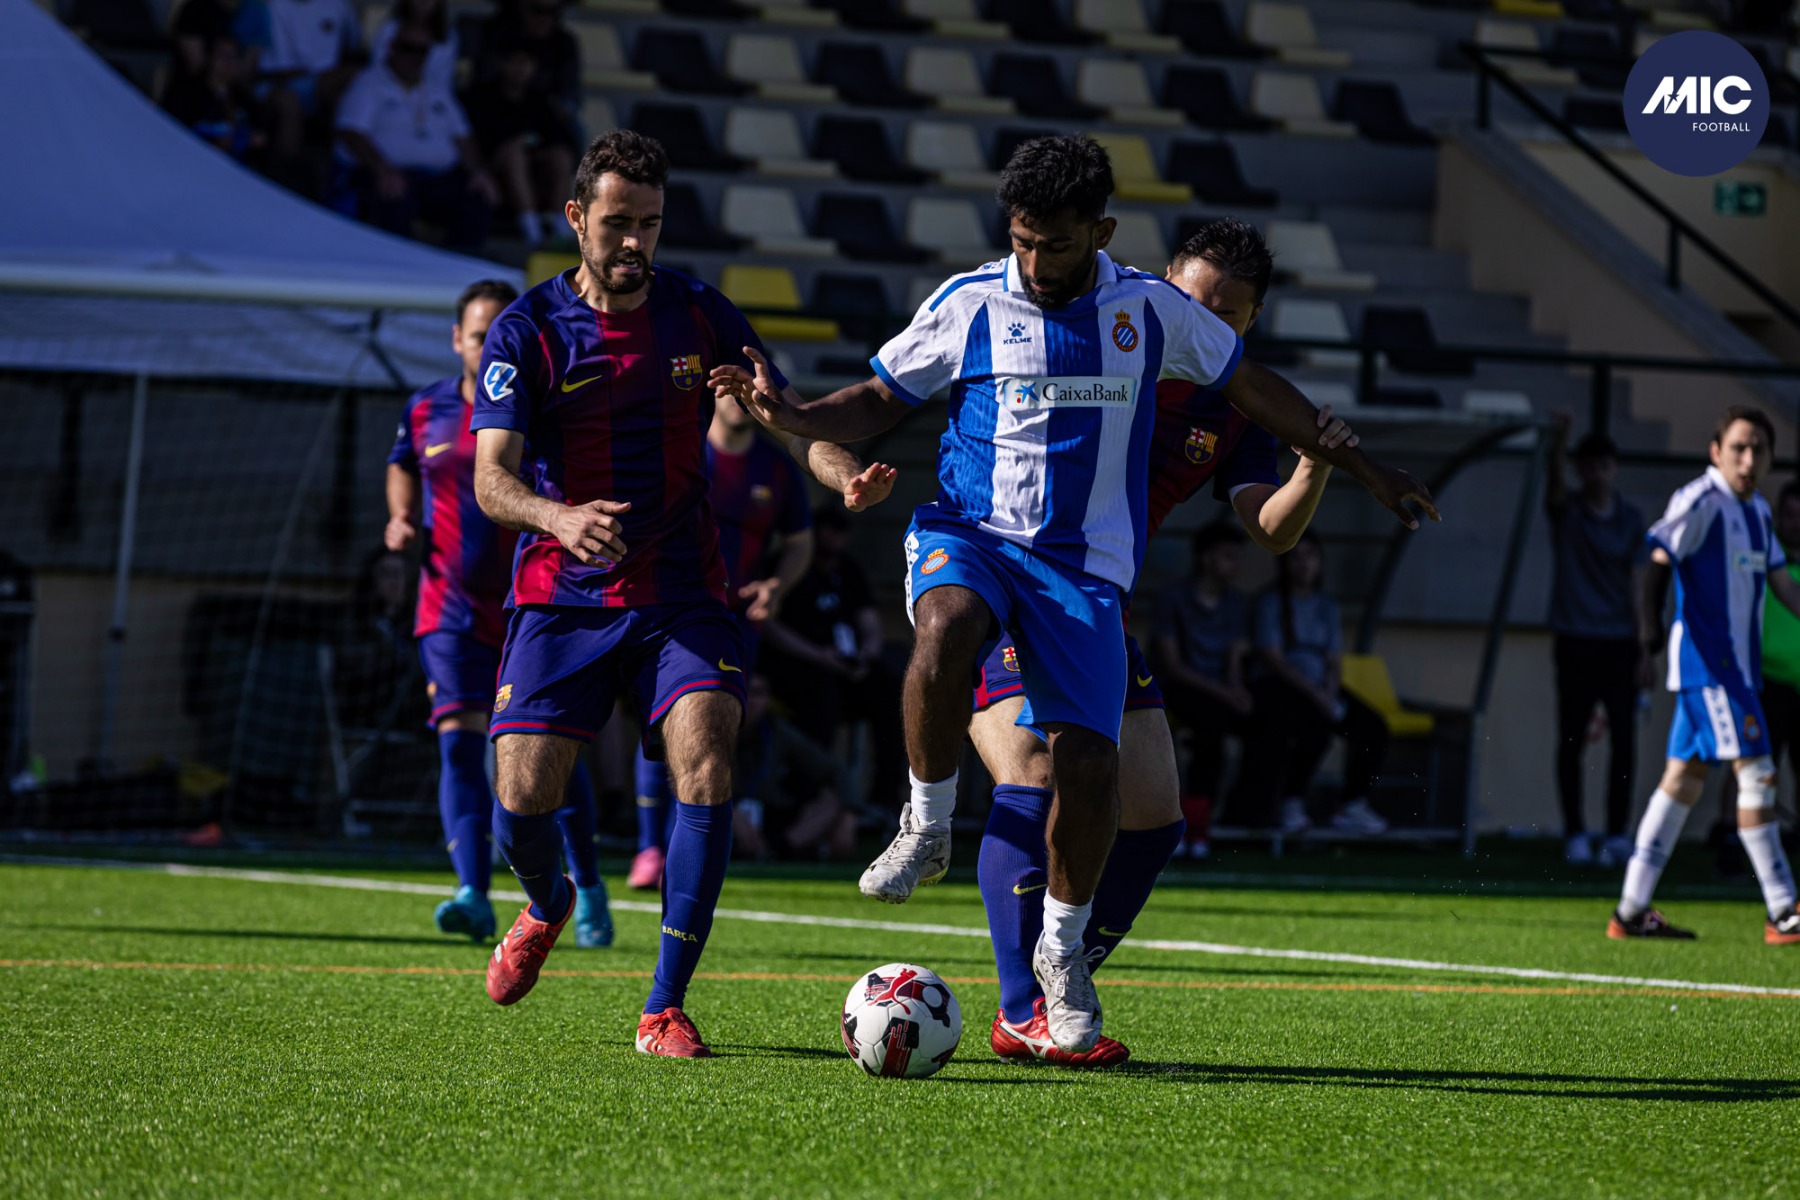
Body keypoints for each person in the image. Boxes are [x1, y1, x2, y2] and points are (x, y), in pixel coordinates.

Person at [714, 135, 1436, 1053]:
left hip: (1084, 577)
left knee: (1099, 775)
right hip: (973, 535)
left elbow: (1258, 398)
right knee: (950, 636)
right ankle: (930, 831)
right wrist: (796, 415)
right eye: (1021, 240)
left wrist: (1366, 470)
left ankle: (1060, 956)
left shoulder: (1154, 319)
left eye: (1054, 244)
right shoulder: (973, 301)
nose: (1035, 261)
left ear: (1101, 233)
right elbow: (880, 395)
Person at [469, 130, 891, 1058]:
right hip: (562, 595)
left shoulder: (700, 314)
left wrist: (842, 475)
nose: (634, 243)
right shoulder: (527, 330)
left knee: (707, 761)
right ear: (576, 217)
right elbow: (490, 479)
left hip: (683, 593)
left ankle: (664, 1005)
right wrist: (556, 515)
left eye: (650, 225)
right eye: (617, 223)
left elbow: (788, 420)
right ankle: (548, 902)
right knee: (521, 798)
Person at [969, 218, 1352, 1064]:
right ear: (1161, 286)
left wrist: (1313, 463)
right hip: (1009, 586)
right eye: (1191, 301)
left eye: (1226, 315)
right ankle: (1023, 1008)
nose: (1201, 322)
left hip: (1097, 614)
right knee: (1033, 774)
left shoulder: (1234, 405)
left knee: (1153, 817)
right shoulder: (1099, 334)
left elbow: (1271, 530)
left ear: (1249, 324)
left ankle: (1058, 977)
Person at [385, 279, 613, 948]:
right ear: (457, 339)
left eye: (498, 335)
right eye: (478, 335)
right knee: (458, 739)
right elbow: (402, 463)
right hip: (449, 608)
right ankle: (472, 894)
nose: (487, 347)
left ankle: (588, 884)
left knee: (547, 754)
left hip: (536, 605)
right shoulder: (425, 408)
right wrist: (400, 516)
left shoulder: (545, 403)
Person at [626, 388, 848, 891]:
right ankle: (649, 846)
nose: (735, 400)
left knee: (707, 733)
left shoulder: (776, 468)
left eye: (745, 389)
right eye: (725, 389)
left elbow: (799, 543)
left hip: (734, 622)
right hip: (670, 609)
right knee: (656, 725)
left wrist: (777, 586)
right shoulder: (679, 450)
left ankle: (681, 850)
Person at [1610, 406, 1800, 944]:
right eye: (1738, 447)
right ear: (1716, 452)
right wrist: (1648, 634)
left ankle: (1630, 911)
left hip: (1738, 671)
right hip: (1710, 667)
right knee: (1758, 772)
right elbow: (1657, 561)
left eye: (1759, 449)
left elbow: (1783, 585)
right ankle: (1783, 909)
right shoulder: (1700, 501)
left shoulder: (1758, 511)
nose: (1748, 459)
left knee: (1683, 781)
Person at [1545, 412, 1651, 866]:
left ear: (1614, 469)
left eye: (1604, 466)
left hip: (1619, 643)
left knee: (1624, 742)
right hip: (1575, 639)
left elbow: (1639, 586)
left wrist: (1645, 648)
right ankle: (1575, 833)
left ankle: (1617, 834)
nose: (1597, 474)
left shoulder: (1631, 520)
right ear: (1579, 469)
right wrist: (1559, 441)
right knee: (1571, 739)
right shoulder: (1568, 513)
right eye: (1588, 466)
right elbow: (1552, 490)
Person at [758, 503, 908, 817]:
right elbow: (767, 625)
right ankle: (809, 798)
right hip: (797, 666)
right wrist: (818, 655)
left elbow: (870, 624)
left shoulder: (849, 570)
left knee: (892, 692)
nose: (832, 543)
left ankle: (883, 798)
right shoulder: (783, 566)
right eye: (827, 535)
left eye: (839, 535)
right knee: (820, 697)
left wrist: (865, 656)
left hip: (846, 667)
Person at [1243, 532, 1389, 837]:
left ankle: (1353, 804)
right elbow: (1273, 657)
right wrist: (1316, 695)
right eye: (1296, 556)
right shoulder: (1270, 601)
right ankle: (1291, 801)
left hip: (1321, 686)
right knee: (1314, 727)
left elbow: (1333, 657)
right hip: (1280, 685)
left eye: (1311, 556)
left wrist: (1330, 691)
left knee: (1372, 727)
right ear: (1283, 563)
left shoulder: (1327, 605)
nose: (1304, 564)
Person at [334, 23, 499, 250]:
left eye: (421, 50)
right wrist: (382, 169)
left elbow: (463, 135)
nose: (414, 56)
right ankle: (396, 263)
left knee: (478, 197)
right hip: (384, 173)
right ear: (392, 47)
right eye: (407, 48)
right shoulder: (369, 83)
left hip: (437, 178)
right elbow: (351, 131)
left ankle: (457, 263)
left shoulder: (437, 89)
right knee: (394, 196)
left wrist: (478, 172)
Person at [1152, 521, 1257, 829]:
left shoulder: (1236, 602)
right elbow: (1173, 666)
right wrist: (1227, 694)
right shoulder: (1173, 598)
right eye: (1228, 556)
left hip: (1219, 690)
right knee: (1211, 724)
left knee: (1265, 721)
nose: (1235, 565)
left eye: (1238, 557)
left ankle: (1245, 813)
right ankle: (1196, 820)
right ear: (1206, 557)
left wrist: (1237, 690)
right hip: (1178, 687)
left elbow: (1235, 657)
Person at [731, 674, 859, 863]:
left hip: (770, 812)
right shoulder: (716, 729)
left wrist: (850, 814)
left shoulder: (776, 730)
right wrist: (730, 810)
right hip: (724, 810)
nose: (750, 700)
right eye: (745, 692)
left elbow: (834, 768)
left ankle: (778, 851)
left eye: (758, 693)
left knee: (830, 802)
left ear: (768, 700)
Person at [462, 44, 580, 247]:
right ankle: (532, 231)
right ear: (502, 64)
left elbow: (558, 137)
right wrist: (519, 143)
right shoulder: (481, 96)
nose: (520, 69)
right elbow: (483, 142)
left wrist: (530, 144)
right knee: (514, 154)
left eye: (526, 63)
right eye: (515, 62)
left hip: (535, 173)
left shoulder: (539, 98)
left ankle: (560, 227)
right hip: (493, 174)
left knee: (560, 156)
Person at [162, 33, 267, 163]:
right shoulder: (185, 92)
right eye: (223, 55)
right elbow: (172, 129)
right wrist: (213, 141)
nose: (228, 62)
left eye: (234, 56)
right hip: (192, 160)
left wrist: (244, 139)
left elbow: (260, 137)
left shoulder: (244, 98)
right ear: (210, 58)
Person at [370, 0, 457, 94]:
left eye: (421, 51)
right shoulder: (390, 30)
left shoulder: (448, 37)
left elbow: (444, 80)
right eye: (408, 49)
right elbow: (378, 69)